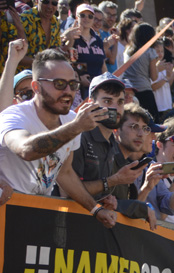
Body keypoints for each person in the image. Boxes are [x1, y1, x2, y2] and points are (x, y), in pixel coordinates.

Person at [0, 49, 116, 227]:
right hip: (5, 214)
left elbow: (65, 172)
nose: (68, 91)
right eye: (60, 84)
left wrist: (96, 210)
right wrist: (76, 127)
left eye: (73, 84)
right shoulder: (14, 117)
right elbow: (25, 150)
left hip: (35, 216)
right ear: (36, 87)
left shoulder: (70, 119)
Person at [122, 22, 159, 119]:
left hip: (129, 91)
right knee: (151, 120)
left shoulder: (127, 51)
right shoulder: (150, 52)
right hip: (144, 89)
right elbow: (154, 77)